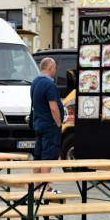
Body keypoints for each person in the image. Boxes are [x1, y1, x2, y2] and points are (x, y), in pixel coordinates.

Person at [30, 57, 64, 188]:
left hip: (38, 123)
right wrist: (59, 124)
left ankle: (37, 185)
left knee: (38, 155)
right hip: (50, 125)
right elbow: (53, 108)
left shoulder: (35, 82)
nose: (55, 70)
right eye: (55, 67)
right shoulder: (49, 84)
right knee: (48, 155)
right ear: (50, 67)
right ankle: (45, 186)